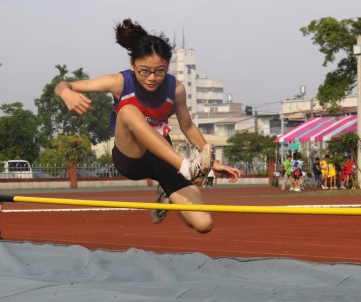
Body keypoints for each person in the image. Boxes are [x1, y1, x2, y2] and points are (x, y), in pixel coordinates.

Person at [55, 19, 240, 233]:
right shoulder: (119, 82)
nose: (152, 78)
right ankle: (186, 167)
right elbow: (64, 85)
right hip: (131, 157)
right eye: (144, 71)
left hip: (163, 157)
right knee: (128, 110)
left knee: (203, 223)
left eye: (159, 71)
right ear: (133, 66)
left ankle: (168, 191)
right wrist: (66, 93)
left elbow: (188, 126)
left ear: (167, 67)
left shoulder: (176, 89)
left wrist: (214, 162)